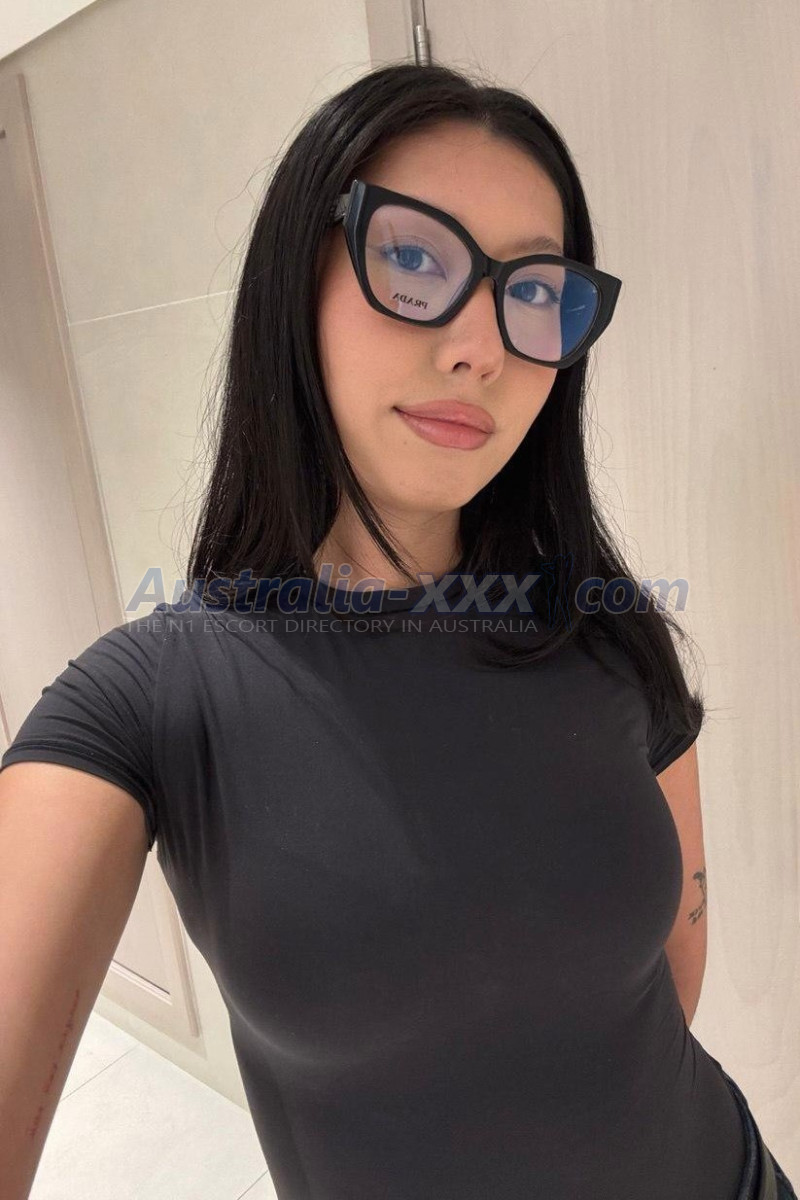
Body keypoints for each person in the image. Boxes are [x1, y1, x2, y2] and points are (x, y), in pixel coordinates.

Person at [0, 60, 795, 1200]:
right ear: (296, 278)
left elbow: (669, 970)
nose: (482, 346)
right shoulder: (150, 700)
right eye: (414, 259)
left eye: (535, 292)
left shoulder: (608, 630)